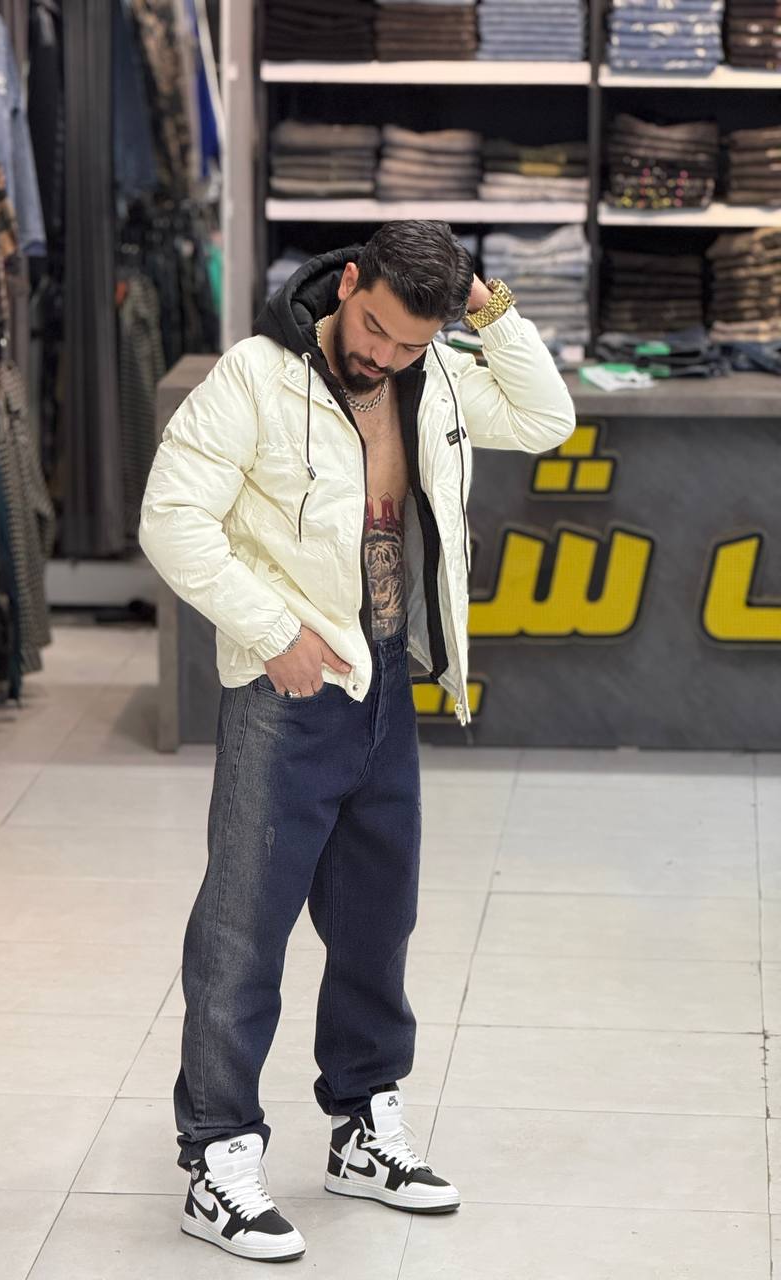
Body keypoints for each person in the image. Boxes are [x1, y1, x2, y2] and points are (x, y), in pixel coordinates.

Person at [140, 220, 576, 1262]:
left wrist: (490, 311)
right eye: (374, 326)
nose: (382, 353)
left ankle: (364, 1125)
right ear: (347, 283)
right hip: (286, 687)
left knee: (379, 920)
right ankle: (216, 1155)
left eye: (409, 340)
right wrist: (270, 630)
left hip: (388, 680)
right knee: (244, 928)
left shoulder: (437, 379)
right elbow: (171, 517)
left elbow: (546, 418)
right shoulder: (255, 377)